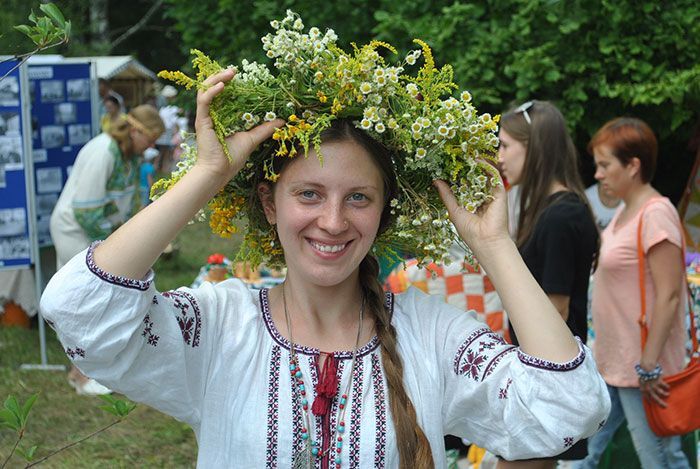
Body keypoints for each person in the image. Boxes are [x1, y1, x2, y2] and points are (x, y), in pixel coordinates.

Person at [39, 66, 611, 466]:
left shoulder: (431, 333)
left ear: (385, 211)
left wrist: (494, 246)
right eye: (308, 194)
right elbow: (80, 313)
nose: (334, 222)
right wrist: (206, 176)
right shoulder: (218, 325)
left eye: (358, 198)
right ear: (269, 203)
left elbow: (569, 408)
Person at [574, 118, 690, 469]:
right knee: (583, 455)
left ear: (633, 165)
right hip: (616, 364)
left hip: (643, 370)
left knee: (661, 460)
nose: (598, 174)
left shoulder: (656, 215)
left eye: (605, 164)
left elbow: (670, 294)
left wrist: (650, 365)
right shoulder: (626, 211)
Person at [496, 101, 600, 469]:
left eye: (505, 145)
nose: (499, 156)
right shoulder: (552, 209)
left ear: (535, 146)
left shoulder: (561, 215)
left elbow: (555, 310)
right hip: (543, 377)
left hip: (547, 382)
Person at [49, 104, 165, 395]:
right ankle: (80, 376)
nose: (151, 147)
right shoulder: (103, 151)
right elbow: (86, 212)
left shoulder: (130, 153)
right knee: (83, 303)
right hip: (75, 229)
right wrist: (118, 245)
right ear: (134, 130)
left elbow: (129, 201)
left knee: (104, 300)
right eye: (149, 139)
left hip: (100, 230)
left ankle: (99, 369)